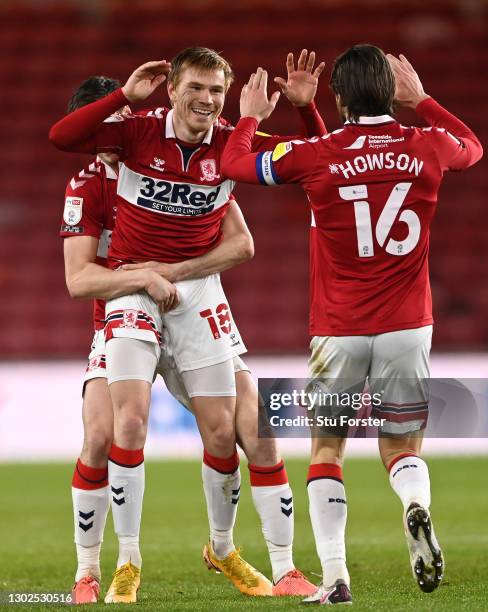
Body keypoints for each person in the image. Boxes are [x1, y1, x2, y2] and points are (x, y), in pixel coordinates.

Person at [52, 50, 326, 602]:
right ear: (171, 89)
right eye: (196, 87)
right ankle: (109, 566)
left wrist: (304, 109)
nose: (206, 99)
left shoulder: (228, 145)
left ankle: (236, 552)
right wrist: (125, 99)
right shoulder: (117, 151)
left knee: (237, 430)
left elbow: (315, 163)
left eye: (216, 91)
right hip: (127, 293)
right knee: (115, 430)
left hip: (192, 292)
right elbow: (64, 140)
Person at [220, 46, 483, 605]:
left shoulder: (318, 154)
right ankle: (414, 505)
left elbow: (236, 164)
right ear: (391, 91)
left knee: (327, 449)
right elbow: (474, 148)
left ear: (338, 97)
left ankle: (336, 578)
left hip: (338, 330)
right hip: (408, 325)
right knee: (401, 445)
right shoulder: (427, 143)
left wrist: (251, 116)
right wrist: (425, 101)